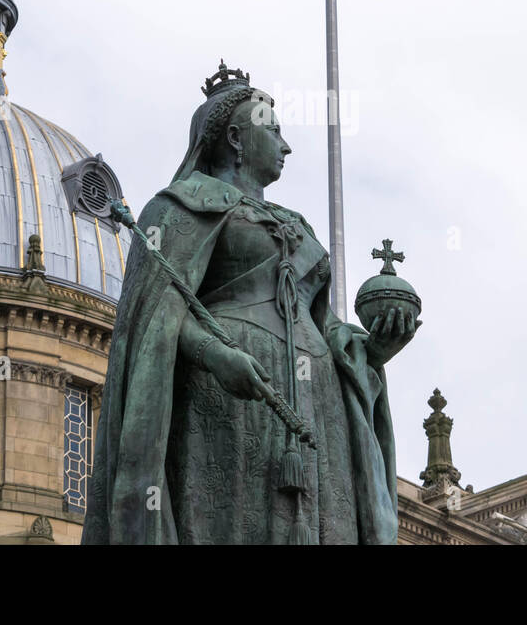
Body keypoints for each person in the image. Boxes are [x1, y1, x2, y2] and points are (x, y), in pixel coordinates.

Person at [82, 63, 419, 544]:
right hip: (226, 399)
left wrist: (376, 349)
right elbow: (154, 321)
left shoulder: (297, 224)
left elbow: (327, 327)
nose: (286, 145)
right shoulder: (178, 208)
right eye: (274, 131)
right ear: (237, 138)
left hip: (317, 408)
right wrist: (214, 354)